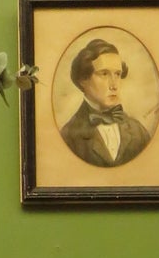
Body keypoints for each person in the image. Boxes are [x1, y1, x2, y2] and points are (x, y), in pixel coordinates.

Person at [58, 37, 153, 167]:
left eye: (118, 74)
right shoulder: (68, 137)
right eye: (104, 74)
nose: (114, 85)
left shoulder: (139, 132)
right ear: (83, 79)